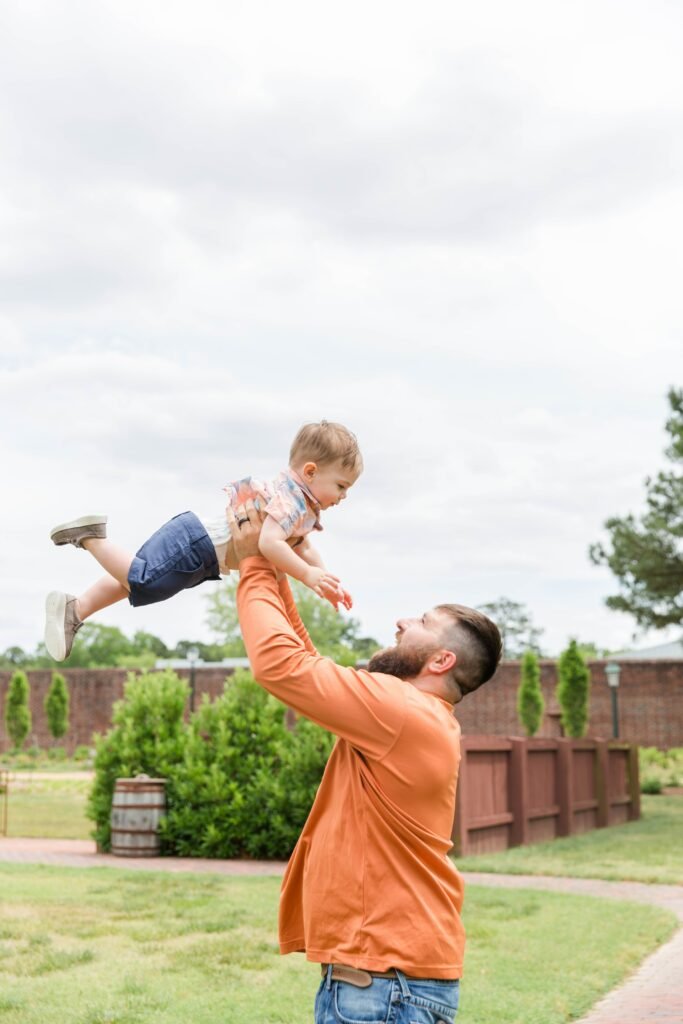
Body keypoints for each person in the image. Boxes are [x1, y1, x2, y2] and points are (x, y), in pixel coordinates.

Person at [228, 499, 502, 1024]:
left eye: (421, 622)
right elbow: (308, 663)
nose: (401, 622)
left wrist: (255, 559)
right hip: (386, 981)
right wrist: (283, 561)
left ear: (441, 660)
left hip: (382, 986)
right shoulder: (408, 715)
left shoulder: (402, 713)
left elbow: (280, 665)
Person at [44, 421, 362, 662]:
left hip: (197, 543)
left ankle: (76, 610)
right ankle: (92, 539)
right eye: (341, 485)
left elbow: (302, 545)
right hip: (199, 545)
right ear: (310, 472)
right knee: (146, 582)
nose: (344, 496)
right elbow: (269, 544)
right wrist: (308, 575)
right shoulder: (291, 500)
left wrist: (325, 579)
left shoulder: (301, 504)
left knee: (135, 578)